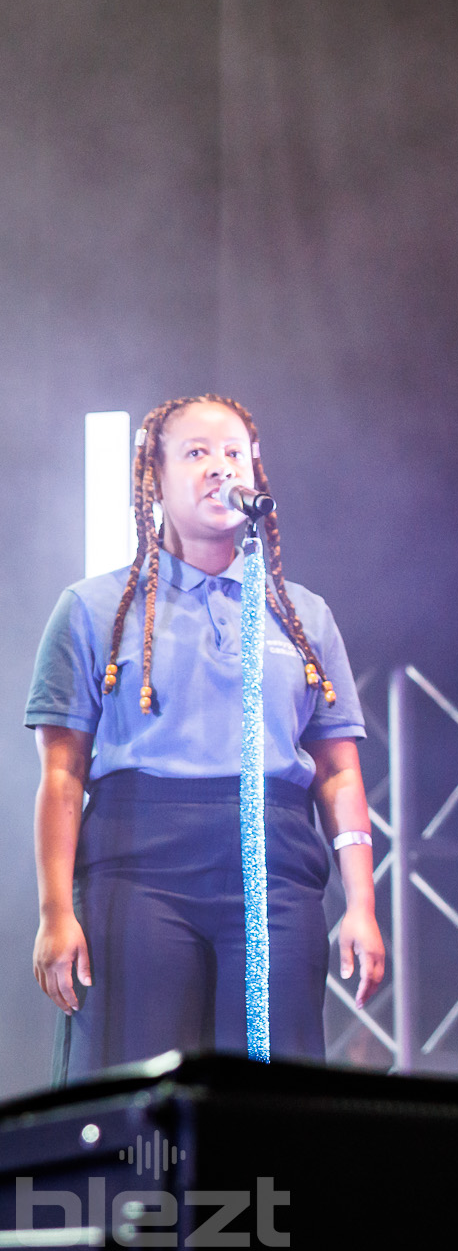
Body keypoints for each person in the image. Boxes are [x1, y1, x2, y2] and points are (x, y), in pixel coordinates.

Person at [26, 395, 384, 1076]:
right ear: (153, 478)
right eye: (197, 453)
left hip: (275, 869)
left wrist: (361, 904)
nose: (221, 468)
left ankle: (260, 1192)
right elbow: (62, 775)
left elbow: (339, 770)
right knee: (137, 1090)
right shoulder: (93, 608)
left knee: (272, 1103)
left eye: (235, 454)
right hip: (140, 869)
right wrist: (54, 912)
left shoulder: (302, 614)